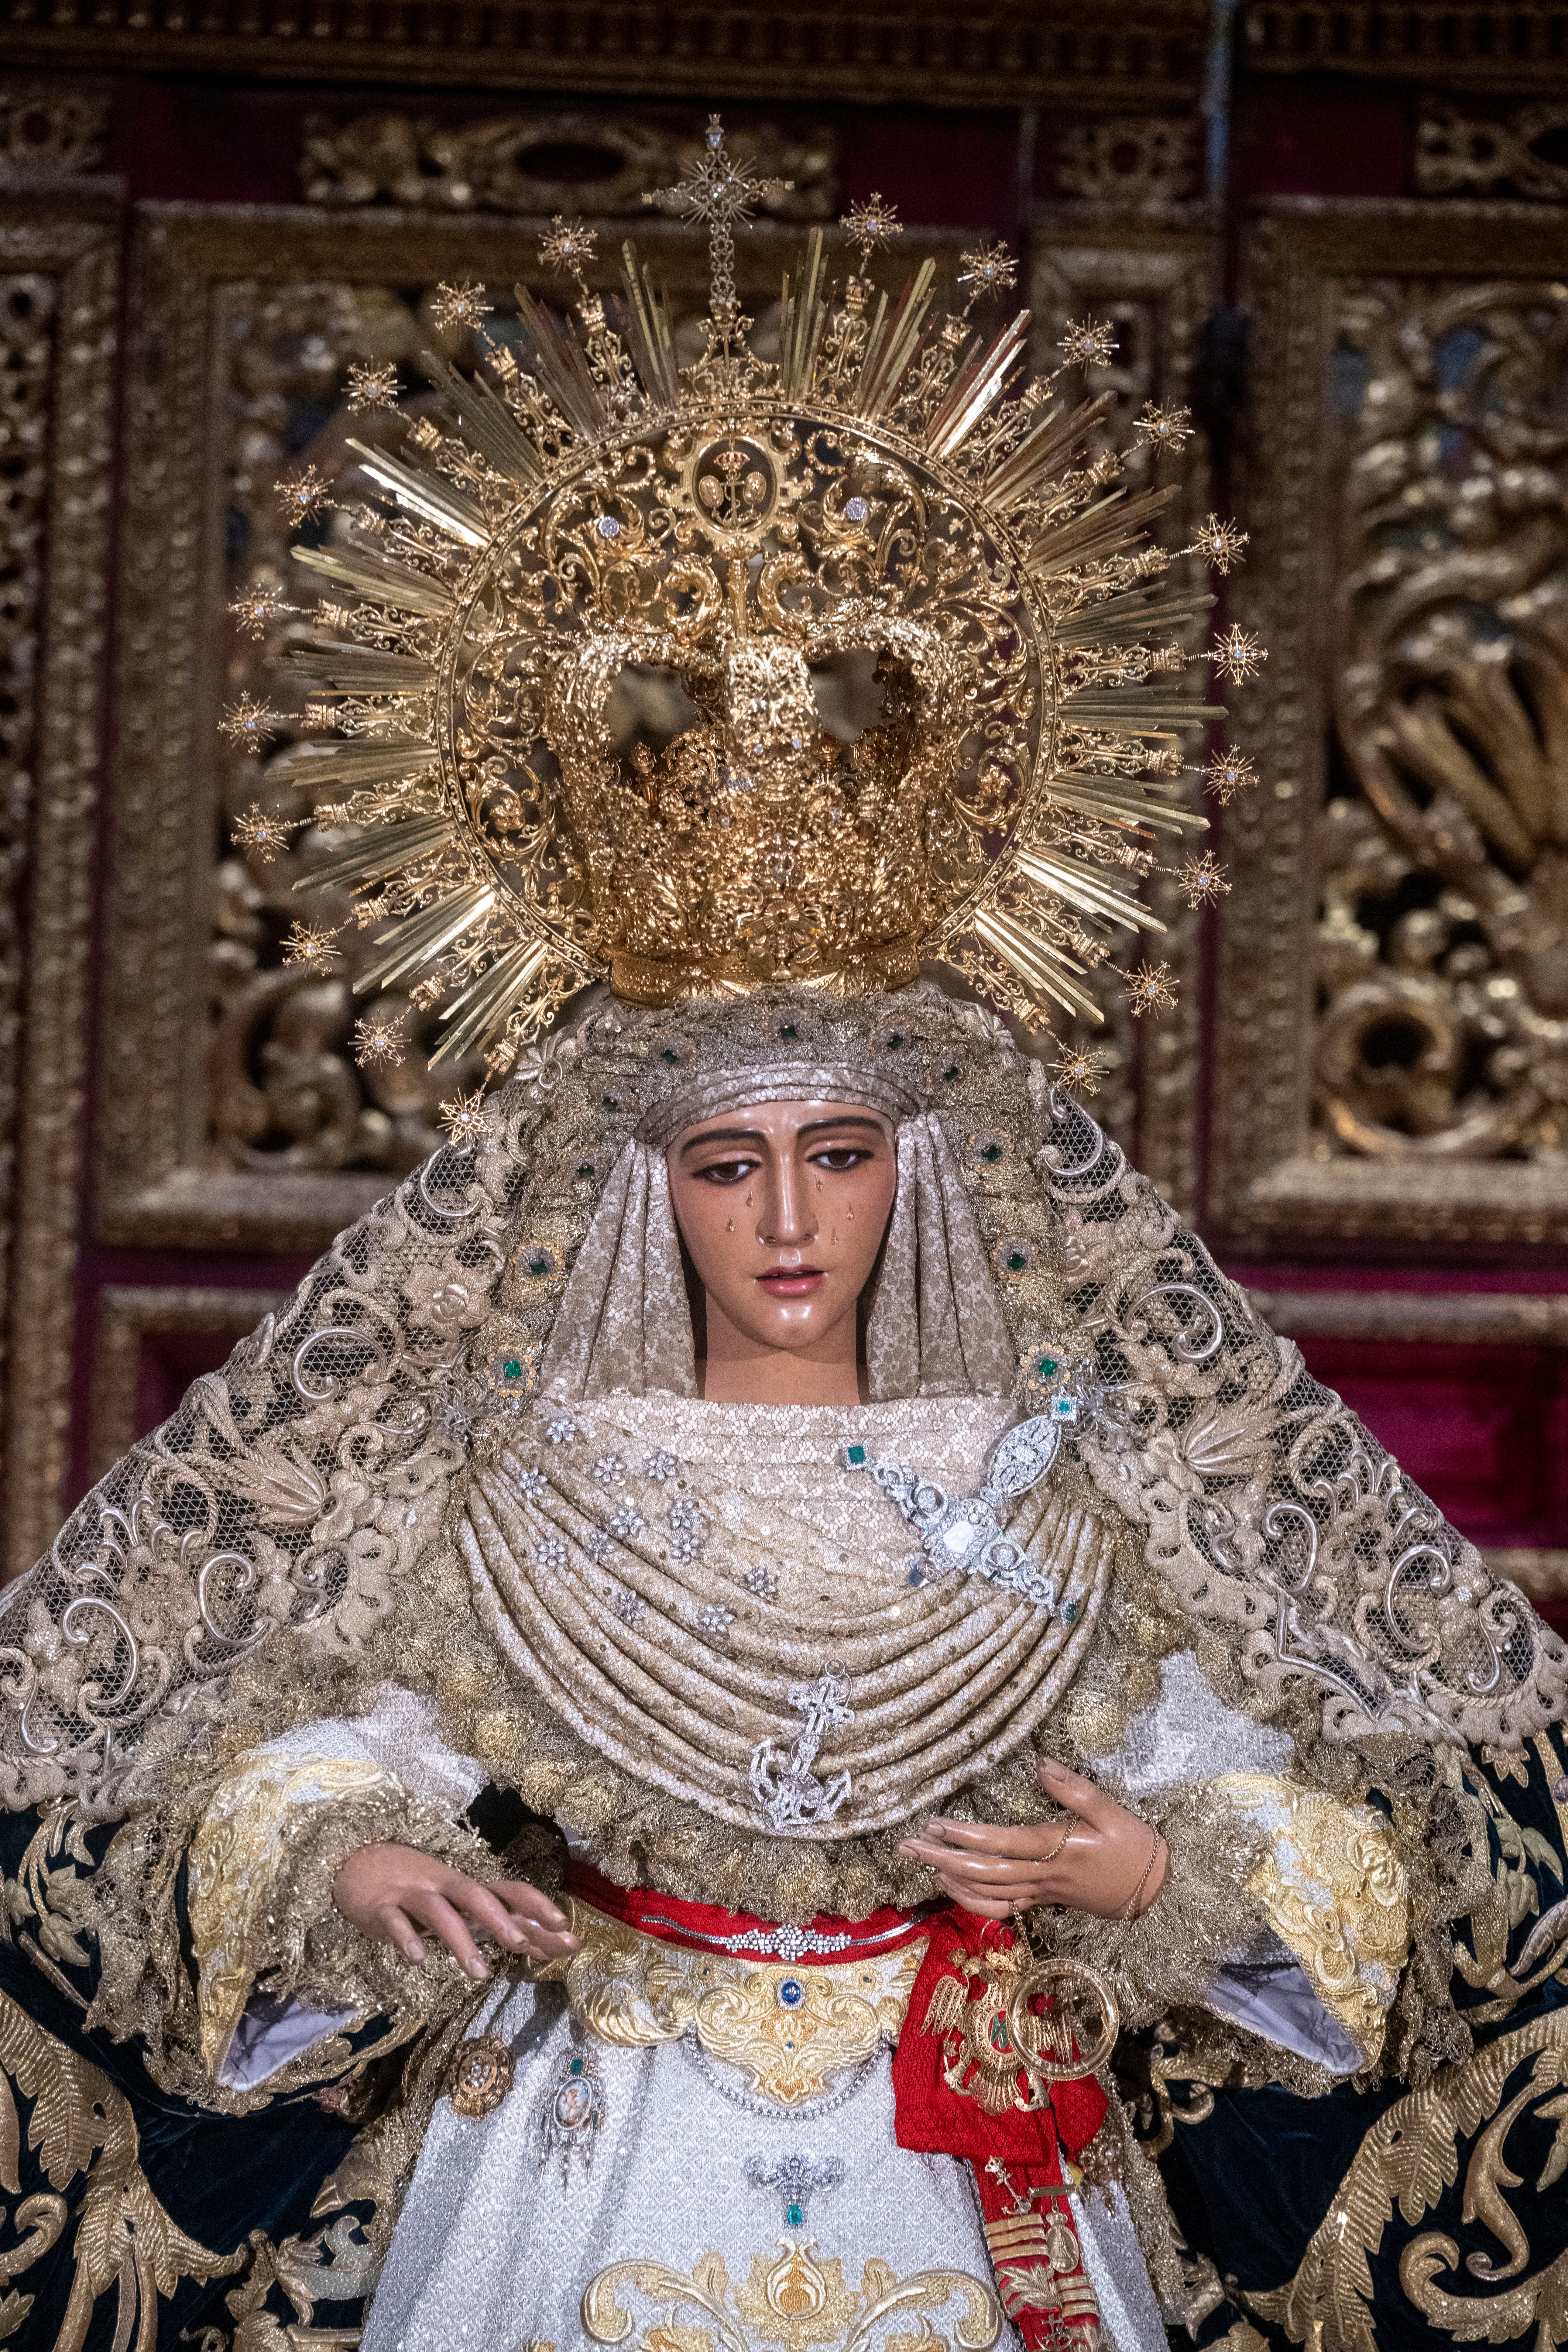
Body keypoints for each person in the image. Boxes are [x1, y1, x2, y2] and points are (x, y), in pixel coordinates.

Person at [1, 135, 1564, 2352]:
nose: (791, 1217)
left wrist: (1156, 1882)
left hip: (982, 2142)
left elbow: (1278, 1798)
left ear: (918, 1169)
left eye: (842, 1151)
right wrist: (350, 1864)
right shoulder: (538, 1482)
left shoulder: (1045, 1486)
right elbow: (316, 1737)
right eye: (729, 1167)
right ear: (646, 1193)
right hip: (594, 2113)